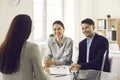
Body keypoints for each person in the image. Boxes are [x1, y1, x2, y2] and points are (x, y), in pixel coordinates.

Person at [0, 14, 47, 80]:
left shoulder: (3, 48)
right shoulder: (32, 48)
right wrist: (47, 73)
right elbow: (41, 78)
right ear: (27, 30)